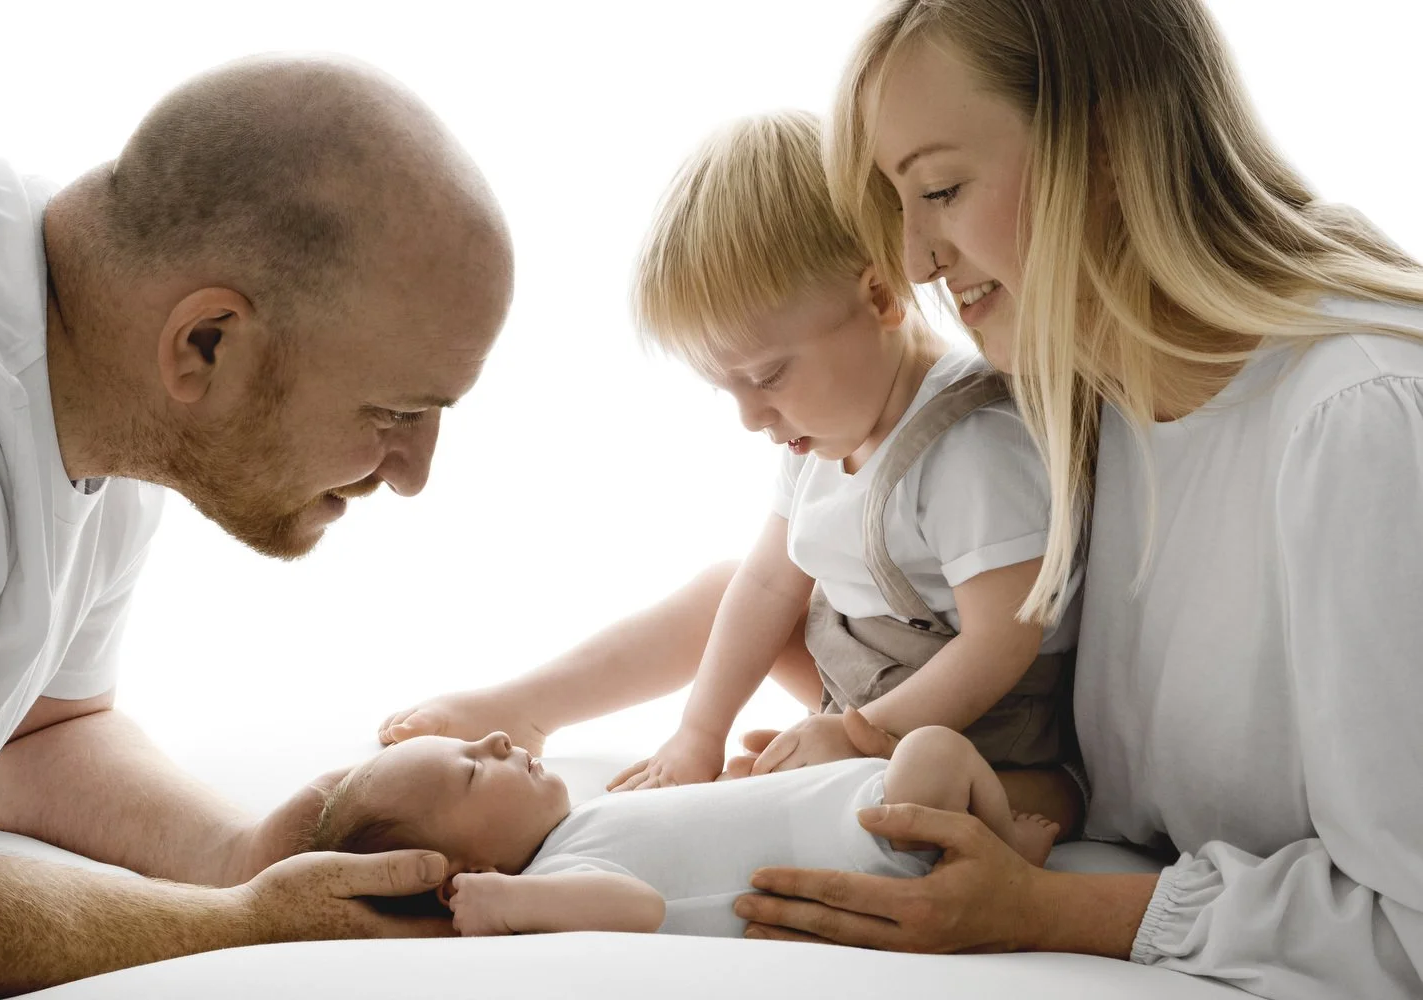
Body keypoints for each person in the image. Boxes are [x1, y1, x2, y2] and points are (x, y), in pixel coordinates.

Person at [726, 3, 1423, 999]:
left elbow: (1413, 921)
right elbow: (782, 561)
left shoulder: (1361, 420)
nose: (916, 259)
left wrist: (1040, 910)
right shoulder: (1089, 391)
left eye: (943, 189)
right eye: (901, 205)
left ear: (1104, 144)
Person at [0, 54, 513, 996]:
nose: (412, 475)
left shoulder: (92, 345)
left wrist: (243, 854)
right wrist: (243, 925)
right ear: (207, 341)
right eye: (395, 413)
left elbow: (35, 735)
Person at [379, 110, 1084, 831]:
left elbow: (1001, 643)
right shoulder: (823, 430)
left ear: (879, 298)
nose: (752, 417)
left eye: (769, 375)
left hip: (987, 741)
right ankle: (530, 707)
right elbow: (771, 582)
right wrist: (699, 732)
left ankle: (991, 810)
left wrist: (855, 736)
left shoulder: (971, 446)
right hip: (865, 690)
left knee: (920, 782)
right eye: (730, 390)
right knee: (730, 588)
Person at [311, 720, 1062, 938]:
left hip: (860, 794)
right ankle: (1003, 856)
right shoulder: (553, 881)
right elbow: (642, 909)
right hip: (876, 849)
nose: (500, 741)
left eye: (475, 739)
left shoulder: (587, 816)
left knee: (947, 753)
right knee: (936, 750)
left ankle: (997, 840)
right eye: (473, 771)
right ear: (460, 872)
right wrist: (509, 904)